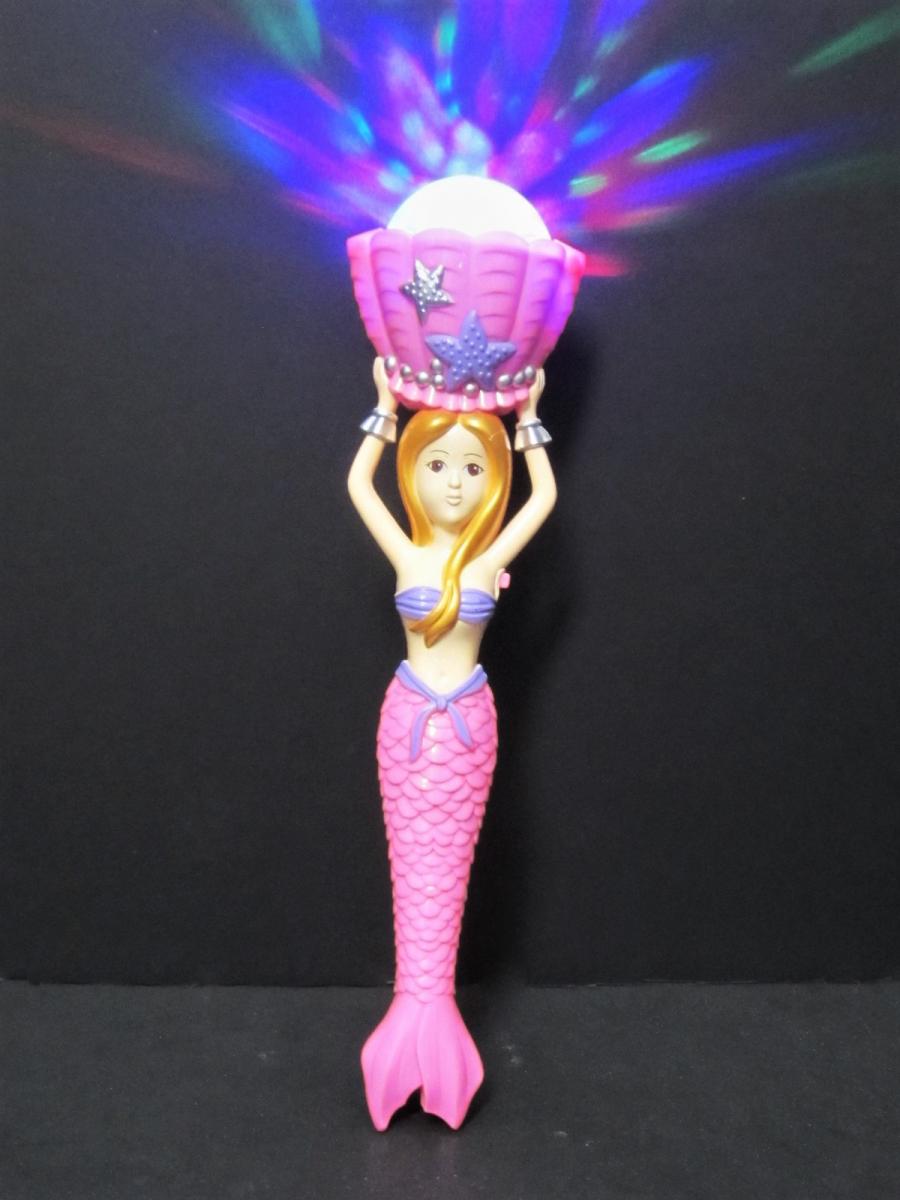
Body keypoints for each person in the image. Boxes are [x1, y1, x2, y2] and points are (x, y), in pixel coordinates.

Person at [347, 357, 556, 1130]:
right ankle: (408, 1024)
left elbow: (545, 500)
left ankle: (437, 1032)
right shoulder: (409, 553)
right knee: (412, 876)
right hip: (407, 726)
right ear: (413, 472)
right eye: (438, 464)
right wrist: (384, 409)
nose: (457, 484)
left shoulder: (487, 560)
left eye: (474, 466)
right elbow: (357, 487)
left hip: (469, 729)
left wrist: (528, 420)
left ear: (494, 479)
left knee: (449, 876)